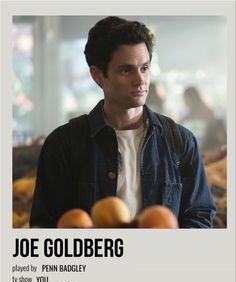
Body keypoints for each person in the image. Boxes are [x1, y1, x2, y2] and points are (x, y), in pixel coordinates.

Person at [30, 16, 216, 228]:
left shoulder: (180, 140)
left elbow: (199, 216)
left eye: (144, 68)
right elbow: (44, 227)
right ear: (98, 75)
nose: (140, 80)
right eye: (126, 70)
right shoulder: (64, 144)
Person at [180, 86, 226, 153]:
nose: (185, 103)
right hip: (195, 153)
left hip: (208, 154)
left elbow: (222, 140)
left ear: (193, 99)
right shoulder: (187, 117)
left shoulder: (211, 116)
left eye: (186, 100)